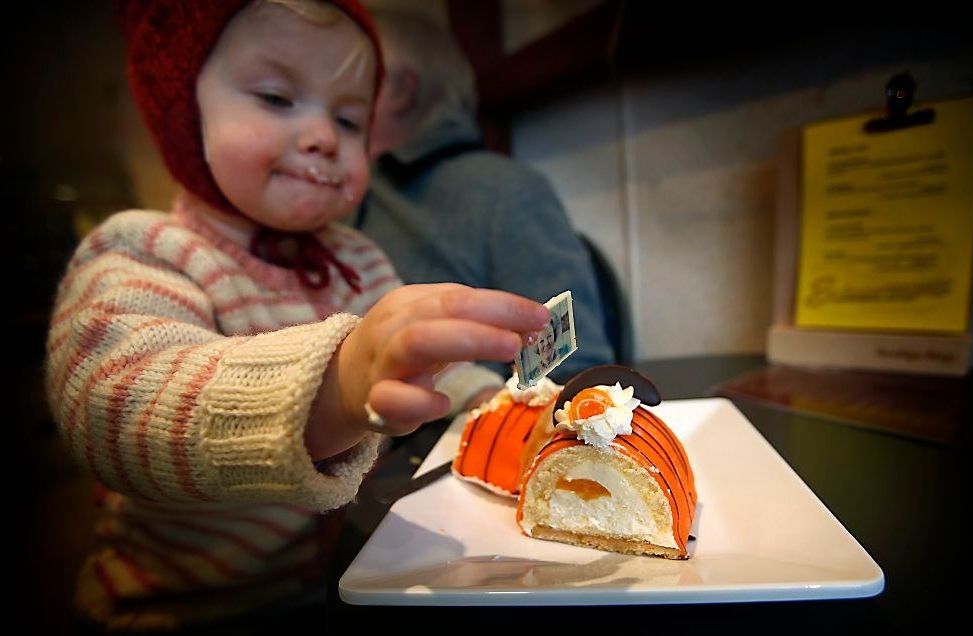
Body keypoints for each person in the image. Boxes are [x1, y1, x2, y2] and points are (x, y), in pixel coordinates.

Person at [46, 0, 549, 630]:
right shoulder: (142, 249)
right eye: (277, 99)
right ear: (182, 110)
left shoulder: (358, 257)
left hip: (349, 578)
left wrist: (490, 401)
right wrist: (332, 389)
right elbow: (109, 410)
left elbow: (420, 371)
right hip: (183, 607)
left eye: (348, 118)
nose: (321, 136)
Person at [353, 6, 616, 381]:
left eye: (353, 76)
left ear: (400, 88)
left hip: (457, 423)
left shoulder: (503, 191)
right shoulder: (340, 195)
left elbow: (571, 366)